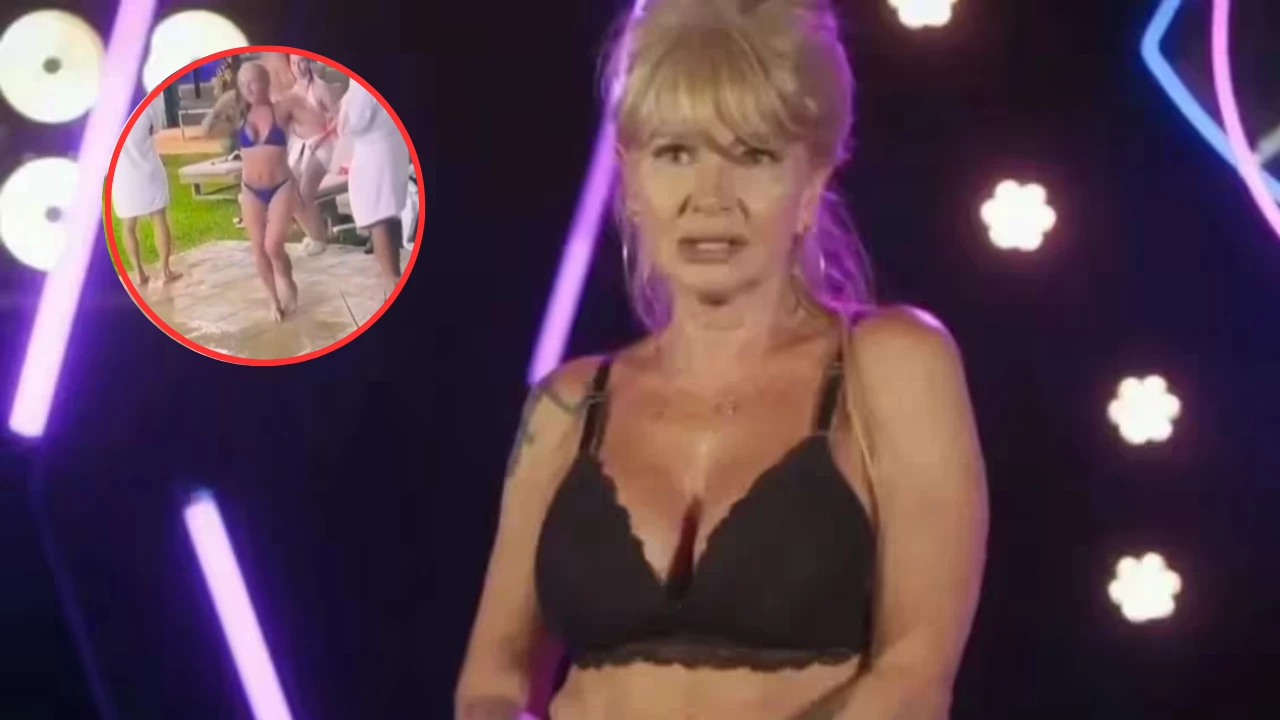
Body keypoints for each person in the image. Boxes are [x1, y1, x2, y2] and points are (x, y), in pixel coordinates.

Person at [454, 1, 989, 719]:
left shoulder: (892, 367)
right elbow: (492, 681)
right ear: (630, 180)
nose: (710, 198)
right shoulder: (568, 403)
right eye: (676, 153)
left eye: (753, 155)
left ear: (812, 182)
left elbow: (914, 677)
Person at [201, 61, 326, 321]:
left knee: (272, 246)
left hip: (281, 186)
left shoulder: (282, 108)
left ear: (266, 83)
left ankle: (285, 277)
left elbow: (318, 124)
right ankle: (273, 301)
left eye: (253, 82)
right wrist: (219, 108)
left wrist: (301, 100)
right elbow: (206, 131)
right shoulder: (239, 114)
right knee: (258, 248)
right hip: (250, 189)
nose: (247, 87)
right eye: (243, 83)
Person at [337, 79, 410, 297]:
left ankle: (392, 280)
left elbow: (358, 120)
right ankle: (394, 276)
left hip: (375, 152)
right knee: (389, 214)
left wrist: (342, 111)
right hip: (393, 144)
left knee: (378, 218)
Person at [112, 95, 182, 287]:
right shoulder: (146, 107)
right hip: (149, 169)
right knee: (159, 218)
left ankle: (139, 273)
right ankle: (165, 270)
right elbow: (157, 127)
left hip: (122, 174)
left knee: (128, 225)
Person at [286, 55, 342, 256]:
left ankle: (320, 240)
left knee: (305, 192)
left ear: (309, 62)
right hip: (301, 146)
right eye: (294, 63)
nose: (298, 67)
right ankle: (314, 235)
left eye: (302, 61)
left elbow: (339, 118)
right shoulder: (291, 93)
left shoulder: (319, 88)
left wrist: (323, 136)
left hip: (323, 145)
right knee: (288, 191)